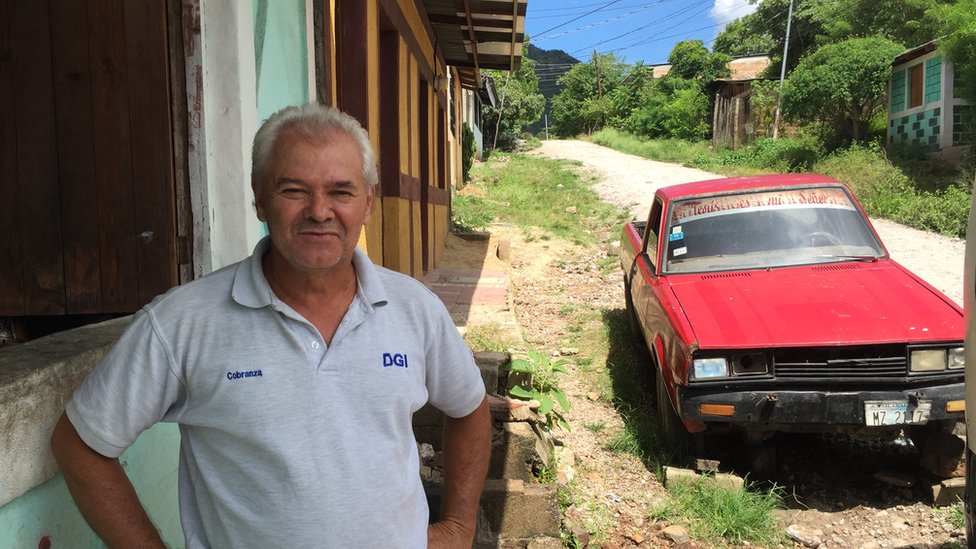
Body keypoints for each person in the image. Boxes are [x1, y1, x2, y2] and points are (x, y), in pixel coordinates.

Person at [50, 104, 491, 548]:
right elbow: (81, 444)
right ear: (259, 196)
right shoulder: (183, 322)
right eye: (294, 190)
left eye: (341, 191)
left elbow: (470, 408)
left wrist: (458, 528)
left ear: (368, 203)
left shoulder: (415, 309)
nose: (320, 211)